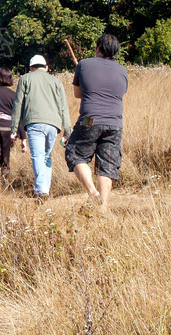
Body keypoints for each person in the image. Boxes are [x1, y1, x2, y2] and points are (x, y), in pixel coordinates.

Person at [64, 34, 128, 214]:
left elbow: (78, 94)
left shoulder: (84, 64)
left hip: (89, 119)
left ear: (98, 48)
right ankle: (103, 207)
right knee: (107, 164)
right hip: (115, 122)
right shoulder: (122, 71)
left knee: (74, 152)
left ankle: (93, 193)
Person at [10, 55, 72, 200]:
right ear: (46, 68)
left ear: (31, 68)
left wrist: (14, 129)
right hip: (53, 124)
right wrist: (67, 130)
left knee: (38, 155)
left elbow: (18, 105)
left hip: (34, 122)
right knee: (46, 156)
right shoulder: (56, 81)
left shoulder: (25, 79)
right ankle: (44, 191)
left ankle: (41, 190)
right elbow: (64, 107)